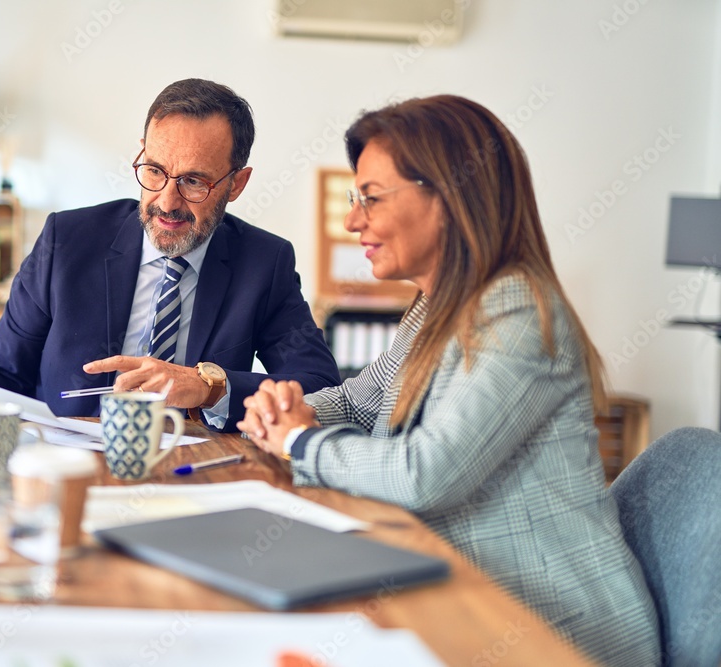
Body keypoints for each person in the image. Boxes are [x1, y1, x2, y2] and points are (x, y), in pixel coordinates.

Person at [237, 95, 660, 666]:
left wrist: (297, 441)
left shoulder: (519, 312)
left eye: (371, 198)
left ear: (449, 197)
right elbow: (359, 405)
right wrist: (284, 406)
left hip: (556, 627)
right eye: (352, 197)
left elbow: (426, 473)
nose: (352, 220)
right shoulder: (432, 309)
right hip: (462, 591)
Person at [0, 78, 340, 431]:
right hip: (66, 463)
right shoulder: (66, 240)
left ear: (236, 184)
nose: (166, 202)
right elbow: (5, 369)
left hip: (195, 469)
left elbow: (319, 385)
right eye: (154, 171)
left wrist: (211, 387)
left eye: (193, 182)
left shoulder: (264, 263)